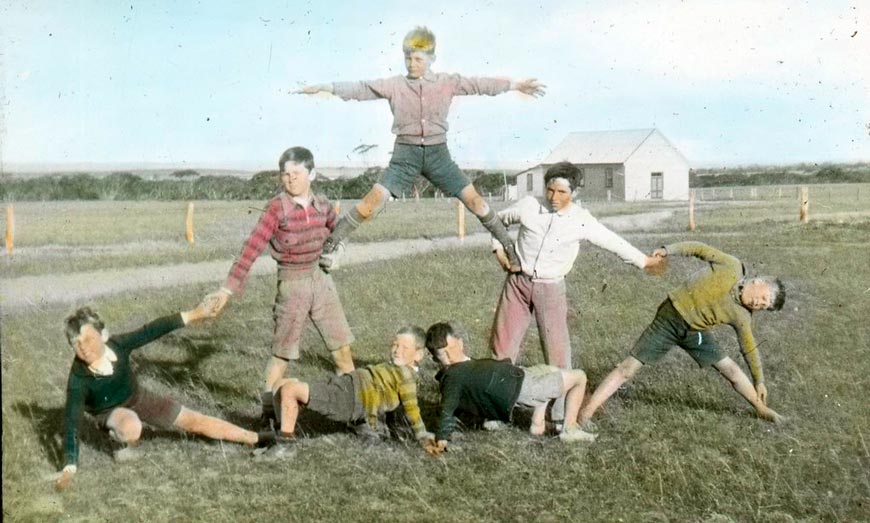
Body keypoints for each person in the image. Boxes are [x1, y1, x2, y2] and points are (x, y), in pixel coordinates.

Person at [295, 26, 546, 272]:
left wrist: (515, 85)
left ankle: (507, 244)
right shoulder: (395, 85)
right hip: (405, 157)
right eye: (408, 58)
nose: (411, 64)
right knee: (373, 201)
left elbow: (481, 84)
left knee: (475, 201)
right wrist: (326, 87)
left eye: (418, 58)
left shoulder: (448, 82)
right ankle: (334, 242)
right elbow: (361, 89)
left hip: (439, 157)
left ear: (432, 58)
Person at [489, 161, 666, 425]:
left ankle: (560, 415)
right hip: (517, 284)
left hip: (551, 289)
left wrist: (645, 261)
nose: (554, 198)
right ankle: (494, 412)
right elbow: (496, 221)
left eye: (562, 193)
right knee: (502, 347)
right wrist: (499, 251)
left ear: (575, 193)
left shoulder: (581, 220)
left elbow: (614, 243)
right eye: (550, 190)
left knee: (558, 354)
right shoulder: (529, 206)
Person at [203, 147, 356, 427]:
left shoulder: (322, 203)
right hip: (292, 283)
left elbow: (337, 233)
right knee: (282, 354)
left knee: (341, 351)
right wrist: (227, 290)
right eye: (285, 174)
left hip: (322, 282)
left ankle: (357, 415)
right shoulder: (276, 208)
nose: (290, 179)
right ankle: (267, 415)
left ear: (311, 174)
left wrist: (338, 252)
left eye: (296, 173)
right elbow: (251, 248)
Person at [55, 303, 268, 491]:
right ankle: (122, 444)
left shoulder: (118, 345)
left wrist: (195, 314)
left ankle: (253, 437)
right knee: (131, 425)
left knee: (193, 420)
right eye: (77, 344)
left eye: (89, 339)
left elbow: (151, 331)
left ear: (104, 335)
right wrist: (69, 467)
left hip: (138, 398)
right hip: (109, 412)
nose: (84, 348)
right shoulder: (78, 380)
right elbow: (72, 422)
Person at [578, 241, 786, 428]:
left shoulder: (743, 316)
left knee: (730, 369)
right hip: (670, 317)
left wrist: (759, 380)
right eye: (764, 298)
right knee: (628, 368)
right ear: (758, 282)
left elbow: (749, 348)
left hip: (695, 332)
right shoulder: (731, 266)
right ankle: (586, 413)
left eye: (764, 306)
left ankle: (761, 409)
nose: (759, 304)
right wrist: (668, 250)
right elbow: (698, 248)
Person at [424, 321, 597, 456]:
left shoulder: (464, 365)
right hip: (523, 389)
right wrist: (442, 440)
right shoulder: (454, 377)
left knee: (551, 370)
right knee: (579, 376)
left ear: (460, 343)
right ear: (435, 360)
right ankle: (570, 429)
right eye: (443, 355)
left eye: (451, 349)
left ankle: (537, 425)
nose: (450, 356)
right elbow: (448, 410)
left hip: (520, 377)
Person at [260, 326, 434, 459]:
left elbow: (412, 410)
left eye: (404, 348)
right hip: (345, 383)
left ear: (418, 355)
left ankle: (286, 445)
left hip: (351, 399)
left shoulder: (407, 377)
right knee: (281, 384)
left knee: (289, 390)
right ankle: (278, 434)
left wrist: (423, 436)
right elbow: (392, 409)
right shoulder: (394, 368)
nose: (397, 350)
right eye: (395, 345)